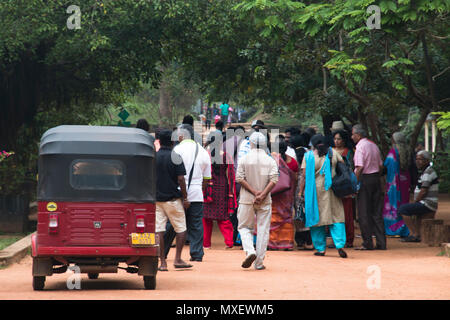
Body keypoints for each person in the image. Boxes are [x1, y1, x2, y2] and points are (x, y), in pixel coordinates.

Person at [163, 124, 212, 262]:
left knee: (172, 224)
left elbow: (171, 174)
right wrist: (198, 189)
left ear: (181, 136)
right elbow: (207, 178)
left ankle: (163, 252)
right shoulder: (202, 151)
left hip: (177, 194)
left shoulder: (176, 150)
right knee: (196, 225)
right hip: (196, 194)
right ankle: (196, 254)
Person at [298, 134, 348, 258]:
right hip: (332, 190)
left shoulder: (308, 156)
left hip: (314, 192)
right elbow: (342, 165)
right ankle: (340, 244)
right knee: (336, 217)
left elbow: (304, 175)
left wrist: (300, 192)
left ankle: (320, 249)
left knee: (316, 220)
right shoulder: (333, 153)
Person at [236, 132, 278, 270]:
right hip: (265, 201)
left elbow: (239, 178)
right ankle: (259, 263)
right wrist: (262, 194)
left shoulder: (244, 159)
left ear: (251, 143)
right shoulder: (270, 160)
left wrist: (254, 193)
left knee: (243, 227)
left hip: (247, 199)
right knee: (263, 230)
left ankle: (250, 250)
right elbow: (274, 180)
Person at [155, 129, 192, 271]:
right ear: (172, 141)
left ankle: (162, 262)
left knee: (159, 230)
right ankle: (177, 259)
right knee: (181, 228)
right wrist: (185, 197)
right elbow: (181, 178)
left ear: (158, 141)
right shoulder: (175, 156)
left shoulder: (154, 157)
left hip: (157, 199)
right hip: (172, 199)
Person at [351, 124, 386, 250]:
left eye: (353, 134)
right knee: (376, 212)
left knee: (364, 212)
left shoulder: (360, 147)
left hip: (365, 180)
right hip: (376, 178)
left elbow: (359, 167)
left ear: (358, 135)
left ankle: (367, 243)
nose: (352, 136)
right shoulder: (374, 146)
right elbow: (381, 166)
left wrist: (355, 183)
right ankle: (381, 243)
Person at [202, 137, 237, 249]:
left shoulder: (206, 155)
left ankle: (206, 244)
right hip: (222, 187)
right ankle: (229, 242)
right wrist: (231, 191)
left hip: (208, 188)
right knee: (223, 217)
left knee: (206, 218)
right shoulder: (226, 155)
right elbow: (230, 173)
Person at [398, 150, 439, 242]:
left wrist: (416, 201)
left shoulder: (429, 172)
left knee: (403, 209)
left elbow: (424, 190)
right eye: (416, 159)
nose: (418, 161)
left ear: (427, 161)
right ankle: (417, 233)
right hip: (425, 202)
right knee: (409, 209)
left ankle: (414, 234)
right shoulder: (425, 172)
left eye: (420, 159)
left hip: (427, 203)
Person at [268, 140, 298, 251]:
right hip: (287, 194)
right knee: (286, 217)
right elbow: (295, 178)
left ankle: (273, 243)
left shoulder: (271, 159)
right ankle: (287, 243)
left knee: (273, 217)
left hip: (273, 192)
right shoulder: (292, 161)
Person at [382, 132, 411, 237]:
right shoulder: (408, 152)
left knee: (392, 205)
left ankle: (393, 229)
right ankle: (402, 228)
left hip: (394, 184)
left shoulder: (392, 153)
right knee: (403, 203)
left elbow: (386, 166)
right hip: (405, 182)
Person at [332, 129, 356, 248]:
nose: (336, 141)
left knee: (347, 213)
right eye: (335, 139)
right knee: (335, 213)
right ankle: (337, 239)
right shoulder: (331, 151)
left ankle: (349, 239)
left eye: (339, 139)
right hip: (334, 185)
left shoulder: (349, 152)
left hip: (345, 185)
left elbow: (351, 169)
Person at [291, 134, 314, 250]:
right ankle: (308, 240)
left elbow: (299, 174)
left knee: (298, 212)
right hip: (310, 185)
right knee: (306, 211)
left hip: (298, 185)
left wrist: (299, 191)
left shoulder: (293, 154)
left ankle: (300, 240)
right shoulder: (309, 152)